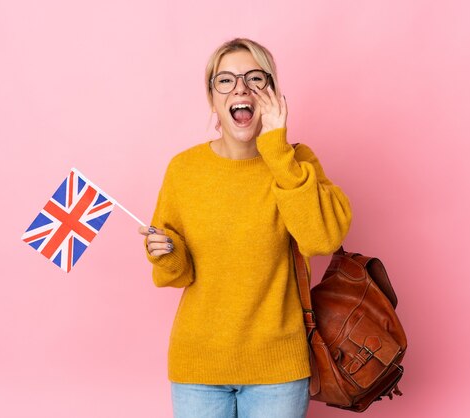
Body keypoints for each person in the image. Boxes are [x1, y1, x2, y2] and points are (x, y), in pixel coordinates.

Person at [138, 38, 353, 418]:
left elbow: (323, 239)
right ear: (212, 97)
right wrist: (168, 253)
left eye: (255, 78)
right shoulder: (183, 171)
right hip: (198, 368)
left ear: (272, 93)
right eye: (226, 80)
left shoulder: (295, 162)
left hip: (278, 371)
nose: (241, 88)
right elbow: (177, 274)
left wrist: (276, 149)